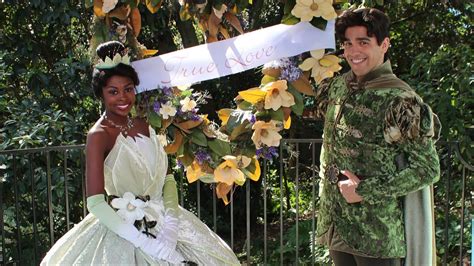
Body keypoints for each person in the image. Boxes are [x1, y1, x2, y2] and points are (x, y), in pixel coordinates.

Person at [41, 41, 240, 265]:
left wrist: (172, 226)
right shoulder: (98, 135)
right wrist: (144, 243)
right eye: (113, 91)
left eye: (128, 89)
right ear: (101, 94)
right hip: (124, 231)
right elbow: (95, 202)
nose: (123, 97)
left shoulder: (145, 125)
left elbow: (167, 178)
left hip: (167, 221)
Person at [314, 8, 440, 266]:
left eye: (363, 42)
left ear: (384, 45)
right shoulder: (339, 86)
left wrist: (364, 190)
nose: (353, 51)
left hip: (377, 235)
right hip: (337, 225)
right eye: (348, 43)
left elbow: (428, 169)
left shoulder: (401, 100)